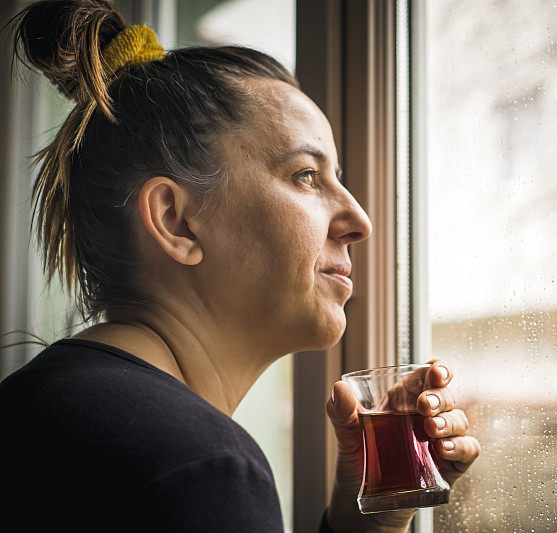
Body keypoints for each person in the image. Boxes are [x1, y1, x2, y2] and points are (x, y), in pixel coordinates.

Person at [0, 1, 480, 531]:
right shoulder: (197, 465)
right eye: (305, 176)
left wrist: (368, 520)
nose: (359, 220)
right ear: (176, 220)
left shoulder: (42, 407)